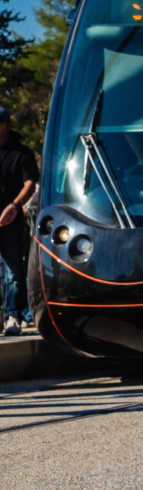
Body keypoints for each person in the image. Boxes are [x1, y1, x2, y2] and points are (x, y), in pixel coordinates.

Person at [0, 108, 40, 337]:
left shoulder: (21, 153)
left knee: (14, 272)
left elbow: (30, 184)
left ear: (6, 124)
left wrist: (14, 206)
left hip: (11, 220)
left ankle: (12, 316)